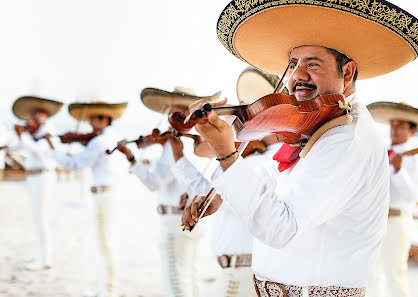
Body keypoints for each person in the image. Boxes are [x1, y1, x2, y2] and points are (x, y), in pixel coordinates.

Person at [184, 1, 418, 296]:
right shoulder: (322, 125)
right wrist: (226, 195)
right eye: (293, 64)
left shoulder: (346, 138)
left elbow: (281, 228)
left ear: (348, 72)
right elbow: (282, 184)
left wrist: (227, 155)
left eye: (312, 64)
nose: (297, 76)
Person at [180, 67, 285, 297]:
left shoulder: (277, 157)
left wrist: (226, 149)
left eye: (256, 106)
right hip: (234, 275)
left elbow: (249, 186)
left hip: (244, 277)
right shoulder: (253, 157)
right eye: (245, 105)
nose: (246, 113)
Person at [114, 87, 220, 297]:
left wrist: (131, 159)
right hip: (195, 216)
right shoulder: (197, 142)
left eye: (175, 113)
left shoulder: (175, 145)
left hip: (175, 219)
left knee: (176, 279)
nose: (170, 119)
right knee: (189, 275)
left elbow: (154, 182)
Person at [49, 101, 128, 297]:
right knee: (108, 241)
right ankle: (107, 286)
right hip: (111, 193)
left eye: (93, 118)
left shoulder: (99, 141)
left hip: (104, 195)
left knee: (106, 243)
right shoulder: (111, 138)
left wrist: (53, 150)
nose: (90, 123)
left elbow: (74, 165)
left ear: (103, 119)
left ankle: (109, 289)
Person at [367, 101, 418, 297]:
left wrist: (399, 170)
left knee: (394, 272)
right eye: (392, 124)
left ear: (412, 131)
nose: (394, 129)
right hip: (374, 220)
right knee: (371, 272)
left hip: (397, 220)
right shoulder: (381, 153)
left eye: (400, 125)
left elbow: (412, 195)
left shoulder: (414, 158)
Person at [6, 96, 63, 271]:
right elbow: (17, 147)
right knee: (37, 217)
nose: (34, 117)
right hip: (33, 177)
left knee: (40, 217)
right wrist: (16, 139)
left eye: (38, 113)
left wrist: (23, 136)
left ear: (45, 114)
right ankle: (41, 253)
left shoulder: (48, 131)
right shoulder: (32, 133)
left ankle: (45, 258)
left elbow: (37, 150)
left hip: (43, 176)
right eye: (32, 114)